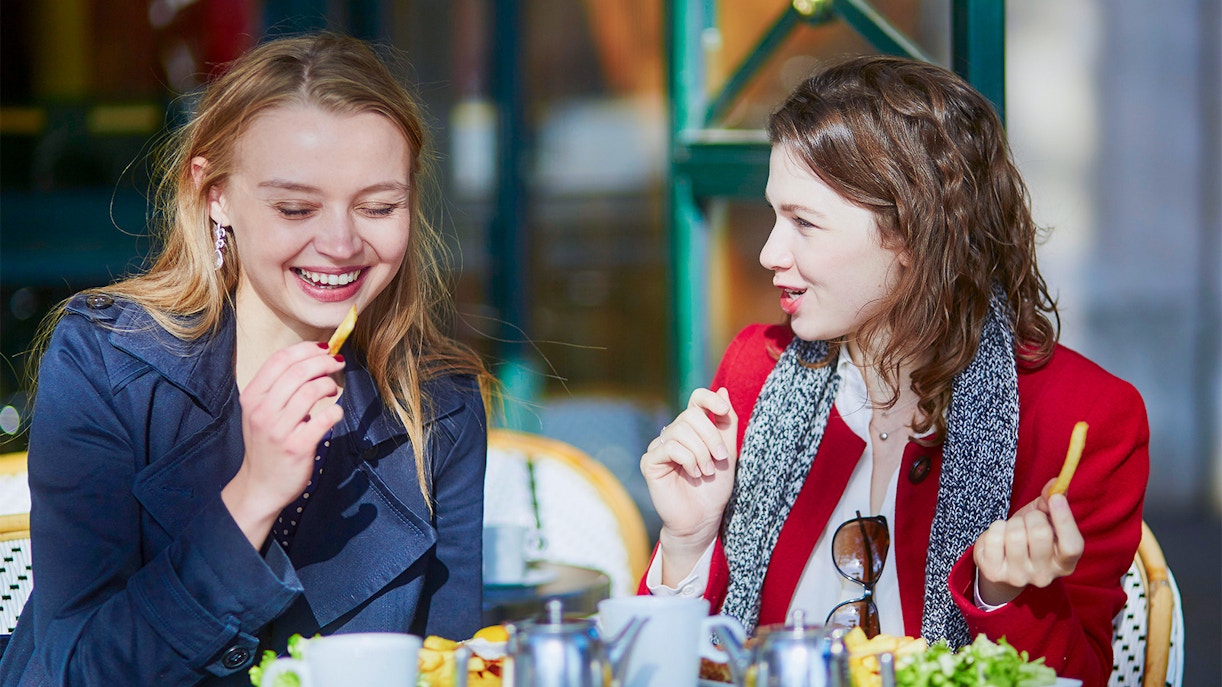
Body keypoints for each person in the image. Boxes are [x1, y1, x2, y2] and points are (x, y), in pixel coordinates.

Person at [0, 32, 494, 687]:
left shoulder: (438, 403)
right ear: (216, 195)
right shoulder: (107, 362)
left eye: (378, 206)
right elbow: (80, 671)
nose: (341, 242)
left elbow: (450, 665)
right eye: (296, 207)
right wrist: (251, 497)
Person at [640, 55, 1148, 686]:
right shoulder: (755, 371)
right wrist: (687, 540)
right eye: (774, 216)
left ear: (912, 233)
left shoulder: (1084, 418)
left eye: (804, 223)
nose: (770, 252)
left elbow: (1084, 675)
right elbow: (666, 668)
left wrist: (1002, 596)